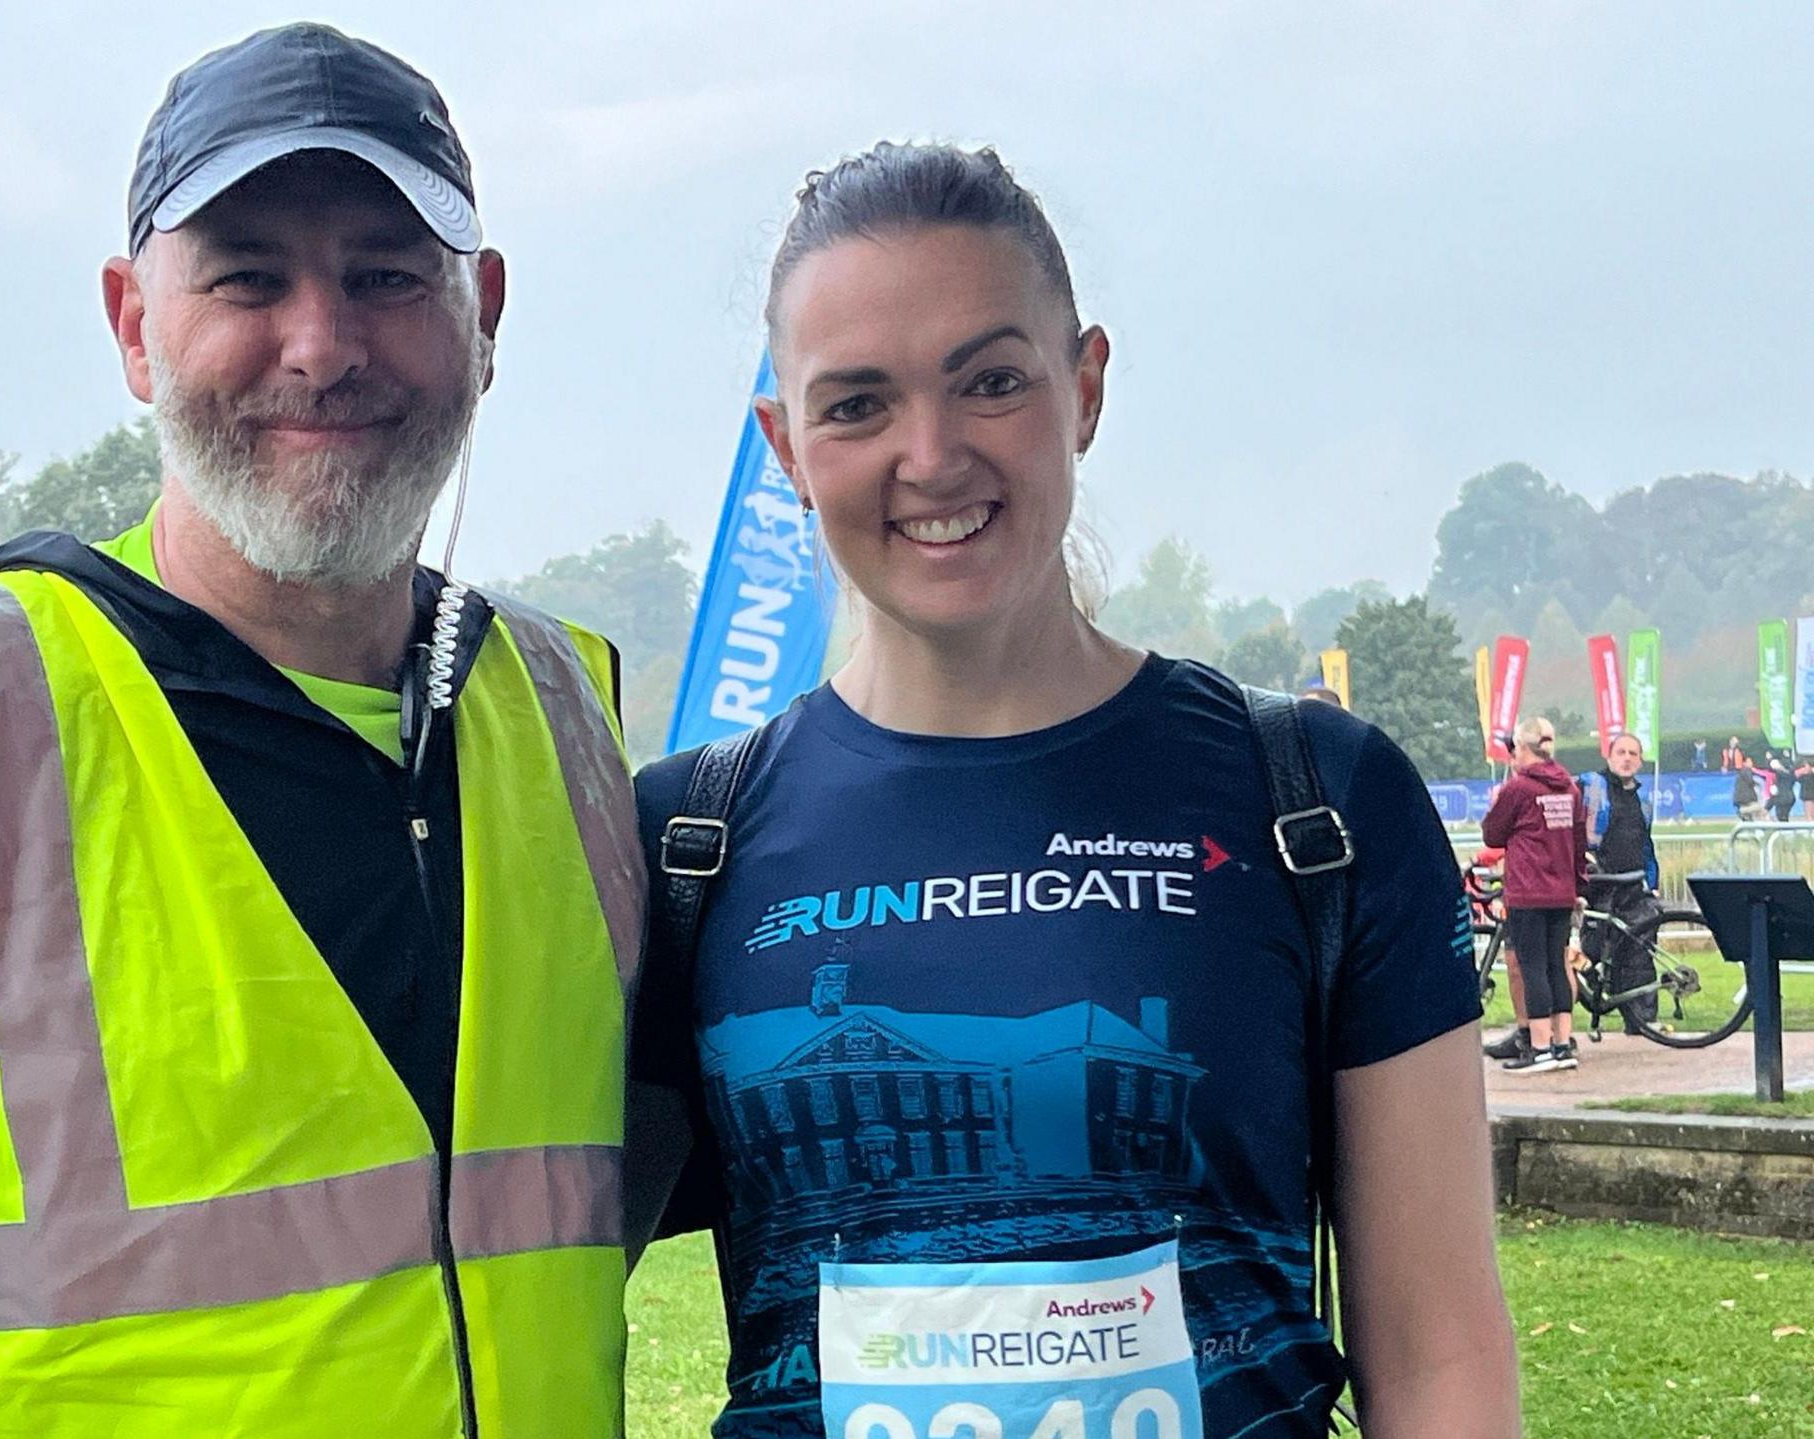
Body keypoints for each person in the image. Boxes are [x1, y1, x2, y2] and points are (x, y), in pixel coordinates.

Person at [0, 24, 639, 1438]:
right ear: (135, 325)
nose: (319, 344)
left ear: (485, 315)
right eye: (247, 277)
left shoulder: (566, 718)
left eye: (385, 274)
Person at [626, 143, 1517, 1437]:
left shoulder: (1319, 803)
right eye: (857, 404)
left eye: (990, 380)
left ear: (1085, 385)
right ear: (784, 443)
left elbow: (1440, 1355)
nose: (930, 455)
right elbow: (517, 1268)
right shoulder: (685, 842)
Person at [1480, 718, 1587, 1074]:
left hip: (1528, 890)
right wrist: (1577, 887)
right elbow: (1578, 842)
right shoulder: (1569, 788)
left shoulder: (1519, 789)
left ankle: (1538, 1046)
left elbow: (1493, 834)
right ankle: (1561, 1042)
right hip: (1561, 891)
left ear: (1523, 748)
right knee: (1558, 964)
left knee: (1532, 968)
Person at [1580, 732, 1661, 1031]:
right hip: (1600, 885)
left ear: (1640, 761)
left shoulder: (1643, 799)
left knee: (1640, 953)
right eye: (1621, 752)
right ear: (1609, 756)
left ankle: (1641, 1021)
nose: (1627, 758)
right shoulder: (1590, 785)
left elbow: (1646, 844)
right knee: (1591, 951)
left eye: (1633, 754)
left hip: (1635, 886)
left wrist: (1653, 882)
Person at [1766, 751, 1796, 823]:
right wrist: (1787, 757)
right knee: (1785, 816)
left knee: (1780, 816)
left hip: (1781, 798)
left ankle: (1784, 830)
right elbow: (1791, 768)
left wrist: (1769, 759)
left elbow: (1771, 768)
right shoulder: (1791, 775)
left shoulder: (1779, 774)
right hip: (1790, 797)